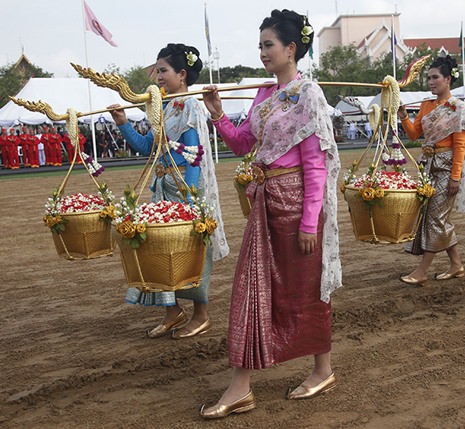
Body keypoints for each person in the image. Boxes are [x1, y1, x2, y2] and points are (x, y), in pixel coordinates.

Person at [200, 9, 342, 419]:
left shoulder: (308, 94)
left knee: (306, 289)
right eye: (260, 45)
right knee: (250, 290)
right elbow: (243, 144)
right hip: (264, 203)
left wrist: (309, 220)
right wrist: (217, 112)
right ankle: (240, 385)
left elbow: (317, 164)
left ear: (291, 49)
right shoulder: (263, 95)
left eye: (268, 45)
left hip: (297, 205)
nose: (262, 52)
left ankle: (322, 370)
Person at [108, 43, 229, 338]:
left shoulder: (190, 105)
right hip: (162, 188)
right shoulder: (161, 107)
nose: (158, 76)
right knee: (160, 251)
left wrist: (190, 198)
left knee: (193, 251)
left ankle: (201, 315)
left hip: (184, 190)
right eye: (157, 70)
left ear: (182, 74)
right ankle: (172, 311)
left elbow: (194, 152)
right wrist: (123, 124)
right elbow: (148, 148)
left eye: (163, 71)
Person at [397, 55, 465, 285]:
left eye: (435, 78)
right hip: (429, 167)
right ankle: (456, 264)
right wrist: (403, 117)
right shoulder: (426, 105)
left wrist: (455, 177)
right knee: (436, 217)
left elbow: (460, 146)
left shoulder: (458, 108)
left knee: (435, 218)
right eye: (429, 78)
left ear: (448, 80)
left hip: (446, 168)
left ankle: (422, 271)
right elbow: (414, 135)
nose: (431, 82)